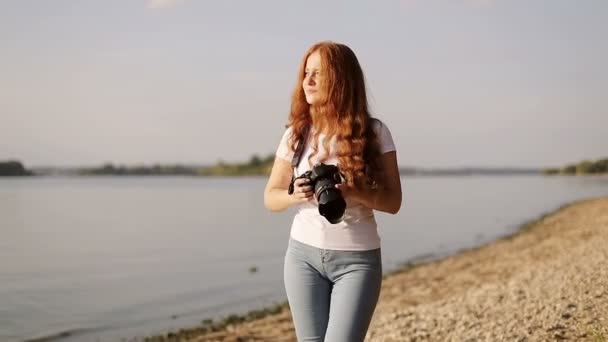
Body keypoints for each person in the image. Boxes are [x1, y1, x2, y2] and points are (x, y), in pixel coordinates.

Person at [263, 41, 402, 342]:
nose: (308, 81)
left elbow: (393, 202)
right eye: (306, 73)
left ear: (340, 79)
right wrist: (293, 195)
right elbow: (270, 196)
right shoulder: (296, 134)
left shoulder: (375, 133)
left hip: (357, 260)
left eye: (318, 74)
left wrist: (357, 191)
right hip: (302, 257)